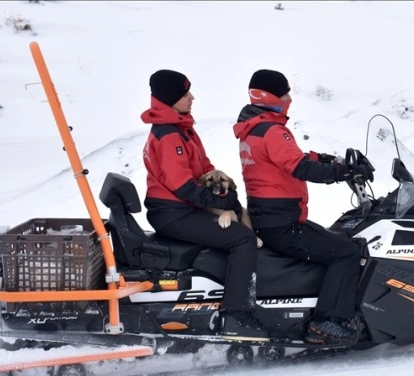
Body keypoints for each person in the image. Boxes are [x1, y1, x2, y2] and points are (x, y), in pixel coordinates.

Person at [233, 69, 374, 345]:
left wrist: (325, 158)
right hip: (283, 224)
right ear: (270, 96)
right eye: (284, 93)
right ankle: (327, 321)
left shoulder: (254, 130)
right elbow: (298, 166)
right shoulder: (272, 130)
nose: (289, 99)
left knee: (335, 241)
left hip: (270, 220)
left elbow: (291, 157)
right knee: (345, 252)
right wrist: (341, 172)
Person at [141, 69, 266, 340]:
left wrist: (227, 195)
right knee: (242, 238)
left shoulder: (182, 127)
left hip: (181, 207)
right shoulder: (169, 134)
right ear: (170, 98)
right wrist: (217, 202)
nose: (191, 97)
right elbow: (182, 185)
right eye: (185, 94)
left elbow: (205, 167)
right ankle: (235, 314)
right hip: (173, 213)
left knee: (239, 222)